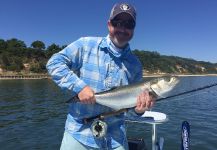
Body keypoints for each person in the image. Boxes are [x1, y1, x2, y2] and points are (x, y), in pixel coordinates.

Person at [46, 3, 155, 150]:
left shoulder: (135, 65)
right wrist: (80, 88)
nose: (123, 28)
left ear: (133, 28)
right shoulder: (86, 44)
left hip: (116, 138)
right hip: (79, 133)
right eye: (118, 23)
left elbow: (129, 113)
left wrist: (139, 111)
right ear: (109, 24)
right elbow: (54, 63)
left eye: (129, 24)